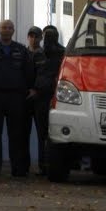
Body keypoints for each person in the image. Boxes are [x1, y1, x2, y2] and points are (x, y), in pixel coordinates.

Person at [0, 19, 36, 177]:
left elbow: (29, 71)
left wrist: (27, 88)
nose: (7, 30)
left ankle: (17, 168)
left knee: (16, 134)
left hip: (16, 97)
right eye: (4, 27)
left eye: (10, 27)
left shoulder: (21, 50)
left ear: (13, 31)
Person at [31, 25, 66, 175]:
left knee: (44, 134)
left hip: (48, 97)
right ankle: (47, 164)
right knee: (49, 133)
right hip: (51, 97)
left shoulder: (43, 53)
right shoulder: (60, 53)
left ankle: (45, 164)